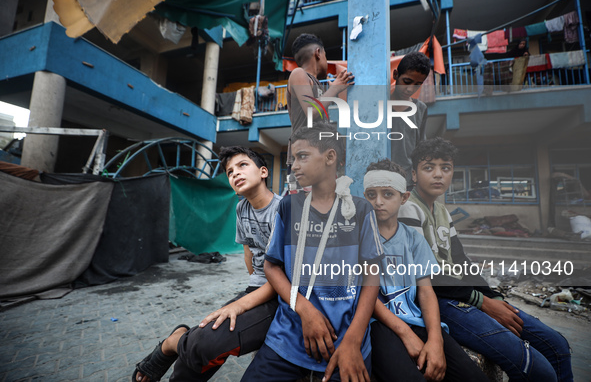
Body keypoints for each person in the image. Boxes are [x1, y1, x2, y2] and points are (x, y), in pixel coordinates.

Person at [398, 137, 573, 382]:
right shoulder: (409, 208)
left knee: (557, 346)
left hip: (462, 294)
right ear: (414, 175)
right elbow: (424, 276)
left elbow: (461, 260)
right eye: (429, 168)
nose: (438, 175)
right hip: (440, 301)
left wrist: (494, 297)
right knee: (538, 370)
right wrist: (480, 301)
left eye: (445, 168)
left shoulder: (442, 211)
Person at [241, 122, 384, 381]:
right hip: (287, 336)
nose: (294, 165)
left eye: (302, 156)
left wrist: (353, 338)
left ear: (330, 157)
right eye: (292, 159)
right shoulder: (288, 206)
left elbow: (372, 275)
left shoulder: (361, 211)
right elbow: (272, 266)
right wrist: (305, 310)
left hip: (345, 341)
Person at [133, 146, 281, 382]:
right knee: (206, 331)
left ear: (263, 172)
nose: (235, 174)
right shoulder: (241, 208)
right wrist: (248, 291)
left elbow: (281, 277)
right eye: (230, 172)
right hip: (257, 289)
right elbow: (248, 254)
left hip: (280, 294)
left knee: (205, 342)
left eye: (243, 165)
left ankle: (173, 342)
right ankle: (181, 349)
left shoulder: (282, 211)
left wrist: (239, 306)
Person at [363, 159, 487, 382]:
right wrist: (405, 333)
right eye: (371, 194)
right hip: (377, 325)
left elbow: (426, 291)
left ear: (404, 198)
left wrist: (436, 340)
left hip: (415, 319)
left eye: (388, 194)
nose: (378, 202)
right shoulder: (358, 238)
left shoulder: (413, 240)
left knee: (472, 376)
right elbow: (366, 295)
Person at [286, 34, 354, 180]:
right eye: (325, 55)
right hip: (304, 160)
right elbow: (311, 111)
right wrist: (335, 88)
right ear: (318, 53)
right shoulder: (298, 74)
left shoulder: (321, 86)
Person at [390, 52, 430, 188]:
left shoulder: (420, 109)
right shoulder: (379, 104)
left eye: (417, 84)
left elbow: (421, 148)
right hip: (379, 178)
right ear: (396, 75)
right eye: (406, 82)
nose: (410, 89)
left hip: (406, 183)